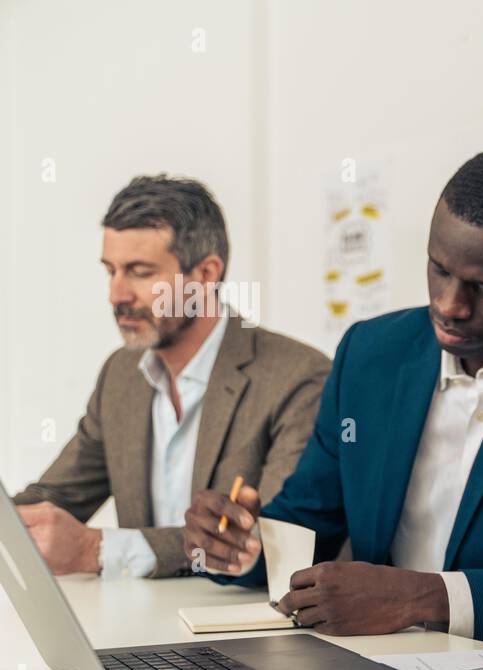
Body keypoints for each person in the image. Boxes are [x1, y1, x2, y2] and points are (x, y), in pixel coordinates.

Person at [185, 147, 483, 648]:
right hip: (374, 661)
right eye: (439, 269)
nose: (449, 305)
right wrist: (241, 544)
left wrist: (425, 598)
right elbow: (311, 521)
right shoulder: (370, 354)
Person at [14, 174, 328, 579]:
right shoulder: (121, 374)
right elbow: (55, 499)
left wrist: (100, 550)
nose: (117, 294)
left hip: (244, 632)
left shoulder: (297, 377)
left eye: (140, 272)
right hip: (142, 631)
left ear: (205, 275)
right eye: (110, 270)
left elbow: (270, 541)